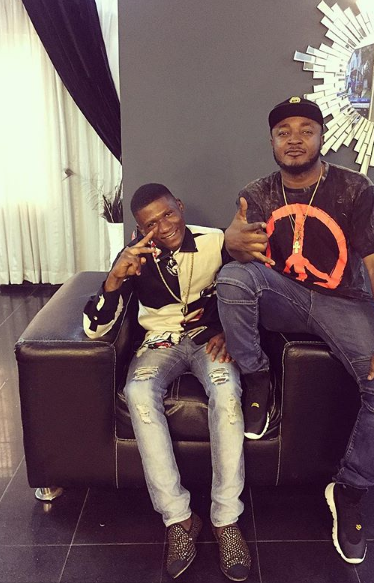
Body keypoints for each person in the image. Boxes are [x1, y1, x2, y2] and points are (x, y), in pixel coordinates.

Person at [216, 97, 374, 564]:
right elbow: (241, 261)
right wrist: (230, 241)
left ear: (322, 137)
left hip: (342, 301)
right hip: (281, 295)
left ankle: (349, 490)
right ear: (271, 141)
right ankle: (257, 378)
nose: (295, 139)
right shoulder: (256, 193)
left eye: (306, 129)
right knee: (232, 277)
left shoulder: (354, 189)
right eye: (284, 131)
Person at [83, 183, 251, 581]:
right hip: (159, 342)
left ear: (180, 206)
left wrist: (232, 330)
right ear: (140, 229)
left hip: (210, 340)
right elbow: (94, 329)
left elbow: (250, 289)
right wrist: (114, 278)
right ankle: (179, 519)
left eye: (168, 214)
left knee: (227, 391)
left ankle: (226, 520)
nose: (164, 227)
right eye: (151, 224)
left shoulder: (216, 242)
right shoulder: (136, 258)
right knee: (138, 392)